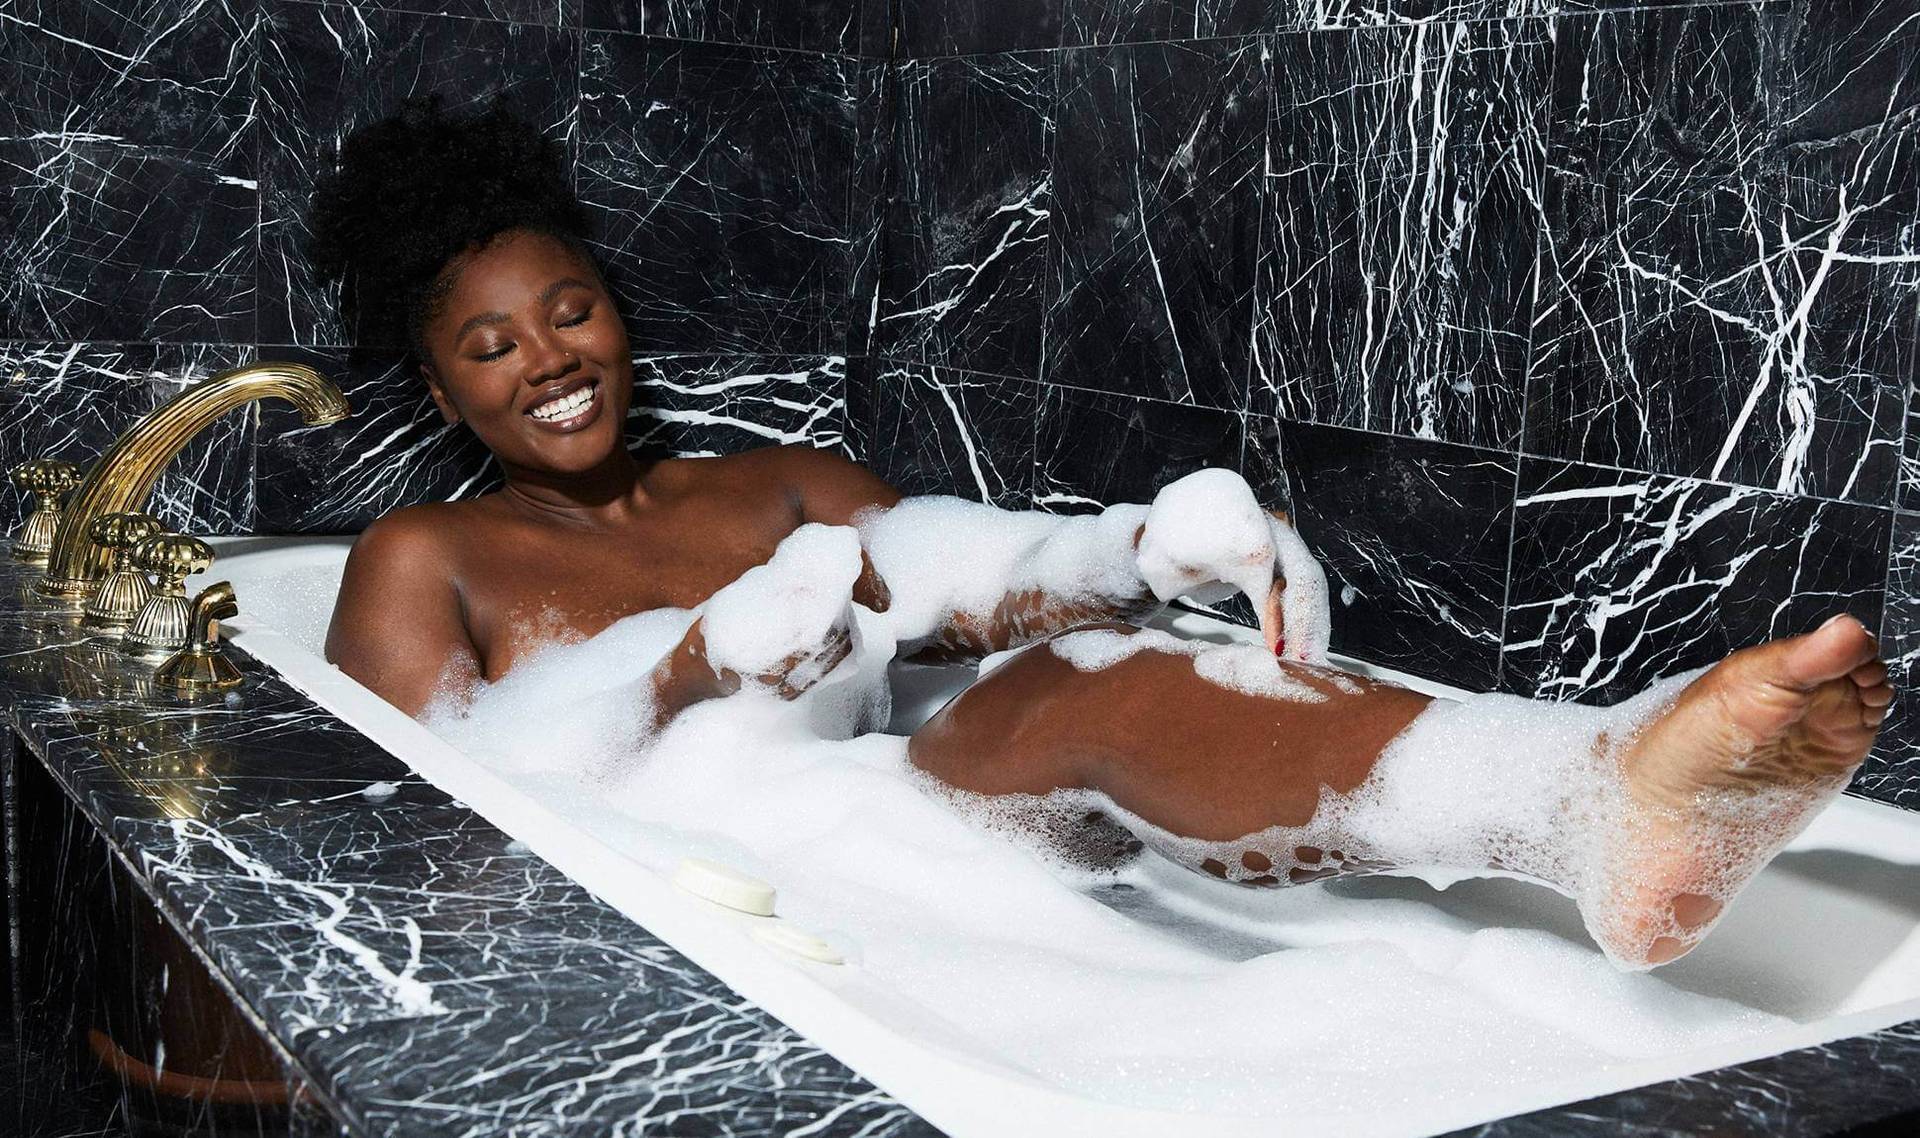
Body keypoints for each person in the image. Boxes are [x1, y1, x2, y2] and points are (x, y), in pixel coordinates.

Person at [307, 92, 1892, 971]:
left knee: (1112, 664)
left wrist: (1138, 543)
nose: (550, 361)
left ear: (614, 313)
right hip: (695, 895)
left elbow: (976, 574)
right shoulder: (422, 560)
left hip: (883, 814)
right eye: (491, 344)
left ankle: (1592, 804)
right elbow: (417, 860)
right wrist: (682, 685)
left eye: (568, 310)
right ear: (443, 386)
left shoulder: (773, 485)